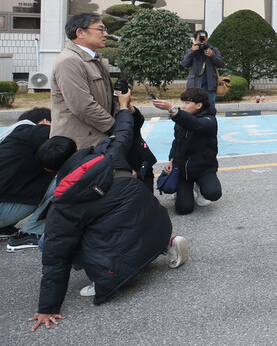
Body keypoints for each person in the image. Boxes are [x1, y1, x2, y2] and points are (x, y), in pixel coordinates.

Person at [29, 89, 188, 331]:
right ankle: (166, 244)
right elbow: (123, 130)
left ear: (50, 171)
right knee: (115, 217)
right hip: (158, 226)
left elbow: (55, 257)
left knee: (48, 242)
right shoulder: (109, 153)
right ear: (74, 150)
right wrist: (124, 105)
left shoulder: (64, 201)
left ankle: (115, 272)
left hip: (123, 256)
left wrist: (48, 307)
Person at [50, 13, 115, 149]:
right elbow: (83, 106)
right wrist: (114, 127)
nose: (105, 34)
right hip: (80, 143)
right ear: (80, 32)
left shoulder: (93, 59)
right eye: (100, 29)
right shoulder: (70, 61)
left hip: (95, 138)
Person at [152, 88, 221, 215]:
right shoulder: (181, 120)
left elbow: (195, 124)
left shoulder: (210, 120)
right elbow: (177, 142)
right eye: (182, 102)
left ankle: (200, 188)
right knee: (184, 209)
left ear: (199, 105)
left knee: (213, 193)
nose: (183, 106)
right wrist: (171, 160)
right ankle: (183, 189)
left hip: (204, 169)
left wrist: (172, 109)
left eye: (187, 103)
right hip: (184, 170)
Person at [1, 108, 54, 251]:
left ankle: (4, 228)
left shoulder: (10, 137)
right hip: (2, 210)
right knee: (65, 178)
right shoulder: (37, 131)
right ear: (44, 122)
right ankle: (30, 233)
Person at [182, 29, 224, 107]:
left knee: (210, 108)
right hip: (194, 85)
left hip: (210, 85)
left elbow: (221, 64)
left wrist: (212, 56)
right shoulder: (191, 51)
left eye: (203, 39)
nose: (202, 41)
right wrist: (192, 52)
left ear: (207, 39)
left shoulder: (213, 50)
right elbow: (185, 64)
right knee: (193, 109)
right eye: (199, 39)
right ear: (195, 40)